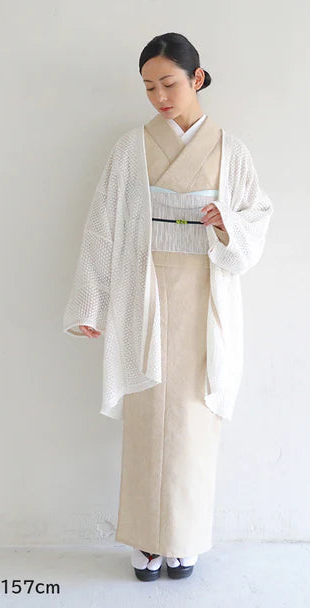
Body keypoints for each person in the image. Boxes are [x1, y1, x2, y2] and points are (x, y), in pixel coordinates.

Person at [63, 32, 273, 581]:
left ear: (196, 78)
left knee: (192, 419)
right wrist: (92, 303)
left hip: (204, 293)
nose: (159, 97)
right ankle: (146, 540)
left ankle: (184, 539)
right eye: (149, 87)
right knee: (147, 415)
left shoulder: (232, 151)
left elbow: (257, 217)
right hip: (144, 290)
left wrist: (228, 224)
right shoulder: (130, 148)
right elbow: (104, 227)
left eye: (169, 84)